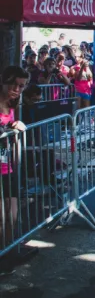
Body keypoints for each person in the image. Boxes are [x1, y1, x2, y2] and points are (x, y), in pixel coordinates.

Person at [0, 67, 29, 253]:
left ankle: (9, 252)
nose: (18, 89)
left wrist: (15, 125)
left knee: (12, 215)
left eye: (22, 86)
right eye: (15, 84)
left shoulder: (12, 105)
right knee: (1, 218)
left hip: (6, 166)